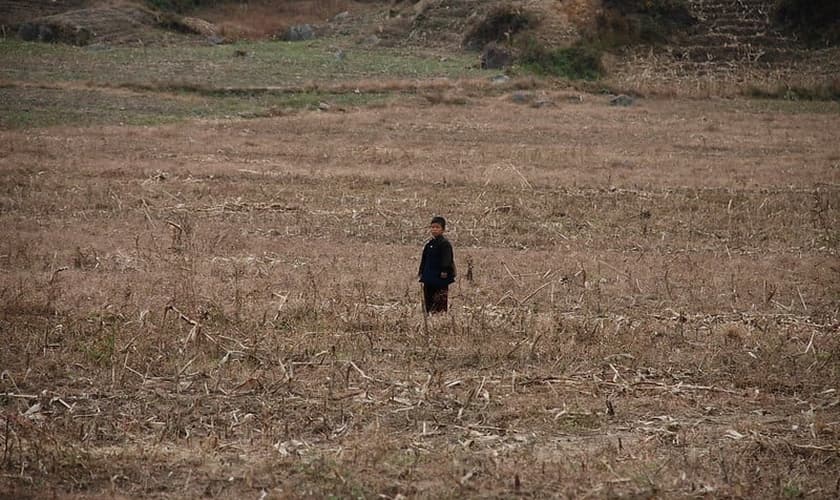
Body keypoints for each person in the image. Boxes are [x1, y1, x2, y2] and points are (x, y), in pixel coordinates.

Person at [418, 216, 456, 314]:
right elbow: (424, 259)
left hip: (440, 277)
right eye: (432, 227)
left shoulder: (445, 244)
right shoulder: (429, 244)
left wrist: (445, 270)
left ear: (443, 229)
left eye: (437, 227)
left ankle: (441, 317)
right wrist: (421, 272)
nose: (434, 229)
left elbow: (447, 258)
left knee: (440, 298)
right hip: (429, 276)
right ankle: (429, 314)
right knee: (428, 298)